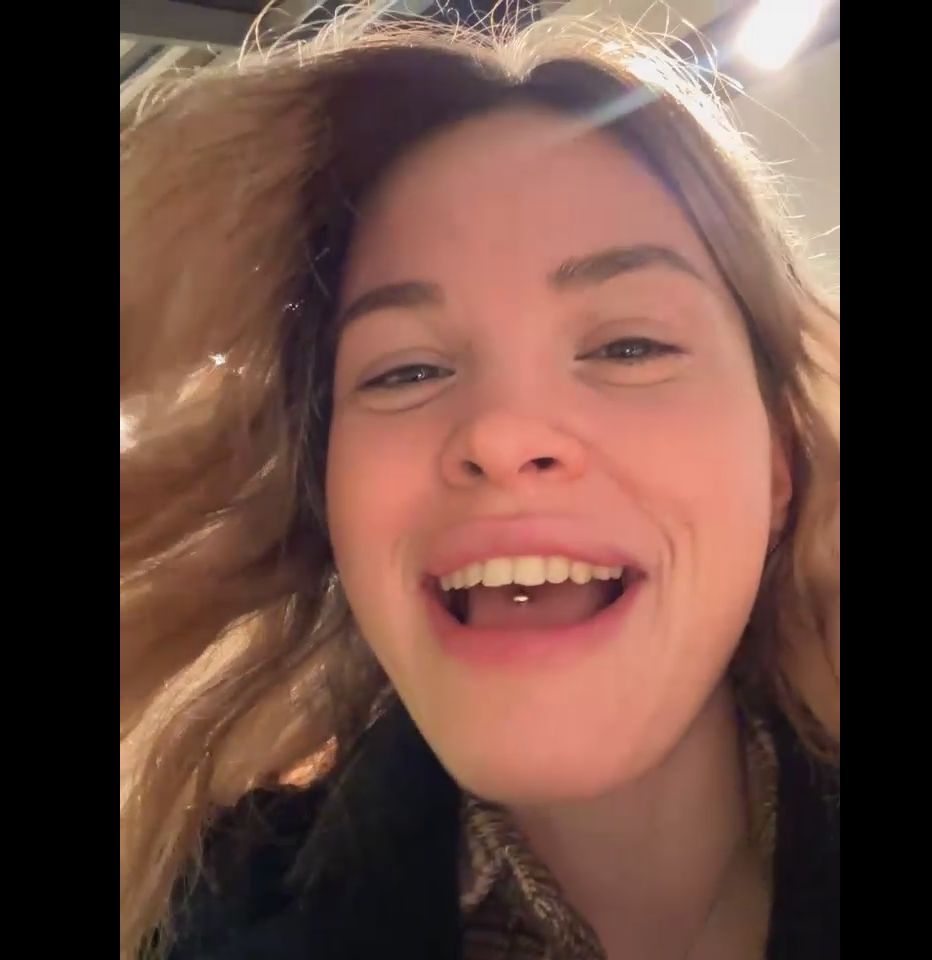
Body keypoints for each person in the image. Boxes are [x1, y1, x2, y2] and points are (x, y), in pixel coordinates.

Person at [120, 5, 840, 959]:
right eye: (406, 370)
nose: (501, 435)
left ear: (779, 464)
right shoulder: (199, 927)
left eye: (629, 346)